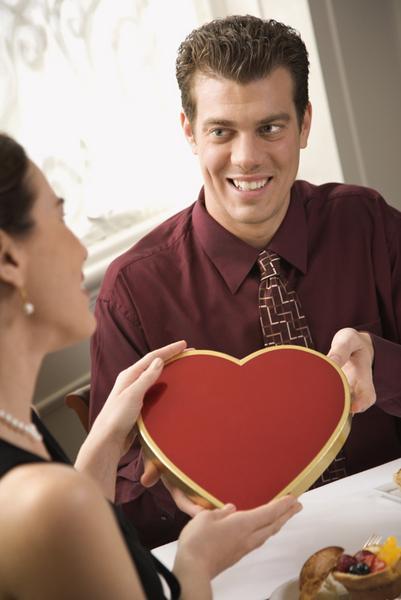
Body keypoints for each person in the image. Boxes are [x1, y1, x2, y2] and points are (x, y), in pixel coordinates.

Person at [90, 14, 401, 549]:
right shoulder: (133, 292)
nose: (247, 157)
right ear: (190, 132)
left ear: (305, 124)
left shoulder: (367, 222)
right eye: (221, 131)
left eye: (270, 127)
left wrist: (387, 367)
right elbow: (116, 490)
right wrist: (166, 481)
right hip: (236, 564)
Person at [0, 132, 302, 599]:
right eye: (58, 217)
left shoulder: (23, 424)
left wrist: (103, 444)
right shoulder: (47, 503)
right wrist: (196, 562)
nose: (81, 249)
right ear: (8, 258)